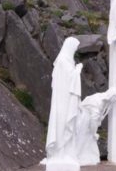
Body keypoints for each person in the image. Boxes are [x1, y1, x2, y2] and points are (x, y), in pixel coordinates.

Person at [44, 37, 83, 171]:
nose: (75, 51)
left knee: (67, 126)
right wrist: (78, 70)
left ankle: (66, 153)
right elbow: (68, 79)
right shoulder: (62, 61)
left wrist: (76, 69)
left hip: (67, 100)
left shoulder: (67, 61)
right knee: (61, 125)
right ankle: (59, 153)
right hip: (62, 101)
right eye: (74, 48)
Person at [75, 87, 116, 166]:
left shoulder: (103, 100)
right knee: (83, 140)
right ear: (111, 96)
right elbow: (93, 120)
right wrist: (94, 133)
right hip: (86, 122)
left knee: (87, 142)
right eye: (115, 97)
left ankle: (89, 157)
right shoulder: (99, 102)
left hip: (87, 119)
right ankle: (79, 157)